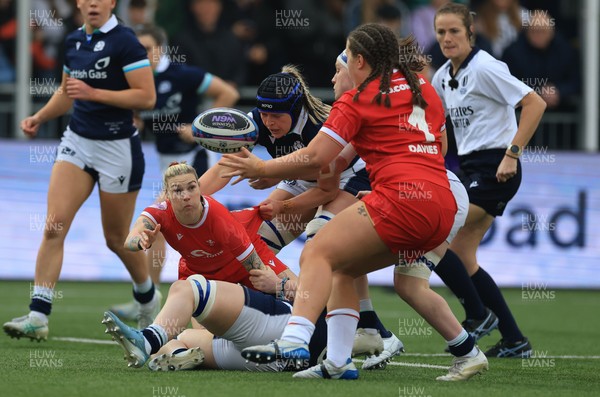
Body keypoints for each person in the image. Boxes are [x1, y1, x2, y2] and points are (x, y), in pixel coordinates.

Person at [219, 23, 489, 381]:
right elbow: (437, 145)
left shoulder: (358, 99)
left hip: (404, 202)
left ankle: (295, 339)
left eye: (339, 66)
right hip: (443, 201)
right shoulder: (419, 84)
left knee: (316, 251)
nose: (334, 77)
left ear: (360, 61)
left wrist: (263, 166)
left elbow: (316, 157)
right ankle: (340, 361)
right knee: (344, 268)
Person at [200, 64, 403, 367]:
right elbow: (227, 166)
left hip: (351, 176)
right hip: (305, 176)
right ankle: (264, 317)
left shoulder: (321, 127)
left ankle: (372, 328)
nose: (269, 123)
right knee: (254, 245)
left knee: (326, 239)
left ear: (297, 110)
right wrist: (185, 200)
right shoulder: (259, 122)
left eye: (277, 116)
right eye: (264, 115)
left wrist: (281, 204)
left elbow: (324, 190)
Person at [3, 0, 160, 341]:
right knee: (53, 226)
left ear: (111, 3)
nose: (92, 3)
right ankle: (38, 315)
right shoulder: (74, 40)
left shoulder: (126, 41)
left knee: (117, 239)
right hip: (77, 141)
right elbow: (67, 91)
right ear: (78, 3)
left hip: (118, 148)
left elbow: (146, 98)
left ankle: (147, 295)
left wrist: (94, 92)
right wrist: (40, 117)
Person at [102, 161, 328, 371]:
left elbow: (298, 290)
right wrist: (139, 240)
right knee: (180, 334)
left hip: (260, 295)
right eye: (178, 191)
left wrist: (278, 286)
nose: (186, 196)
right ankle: (175, 352)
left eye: (192, 188)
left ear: (200, 190)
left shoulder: (223, 222)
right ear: (167, 197)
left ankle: (147, 340)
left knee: (188, 291)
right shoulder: (163, 215)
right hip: (263, 349)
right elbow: (133, 236)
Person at [431, 2, 546, 357]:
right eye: (440, 32)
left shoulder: (485, 67)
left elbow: (535, 103)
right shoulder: (441, 77)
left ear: (470, 33)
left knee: (435, 237)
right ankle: (514, 339)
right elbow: (437, 127)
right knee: (463, 255)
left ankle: (478, 316)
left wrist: (512, 153)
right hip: (471, 168)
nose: (447, 39)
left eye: (454, 31)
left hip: (497, 168)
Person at [109, 24, 240, 321]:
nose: (140, 56)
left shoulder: (183, 75)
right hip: (165, 164)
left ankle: (153, 298)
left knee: (158, 220)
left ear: (161, 49)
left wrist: (198, 127)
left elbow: (228, 94)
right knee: (166, 230)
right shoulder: (135, 81)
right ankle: (156, 295)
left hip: (194, 163)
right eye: (136, 50)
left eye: (146, 50)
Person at [501, 10, 580, 111]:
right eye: (534, 31)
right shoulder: (513, 53)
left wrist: (558, 91)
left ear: (552, 32)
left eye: (542, 31)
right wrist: (537, 92)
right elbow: (508, 83)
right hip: (523, 113)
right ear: (527, 32)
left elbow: (575, 82)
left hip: (559, 112)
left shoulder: (565, 51)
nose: (538, 35)